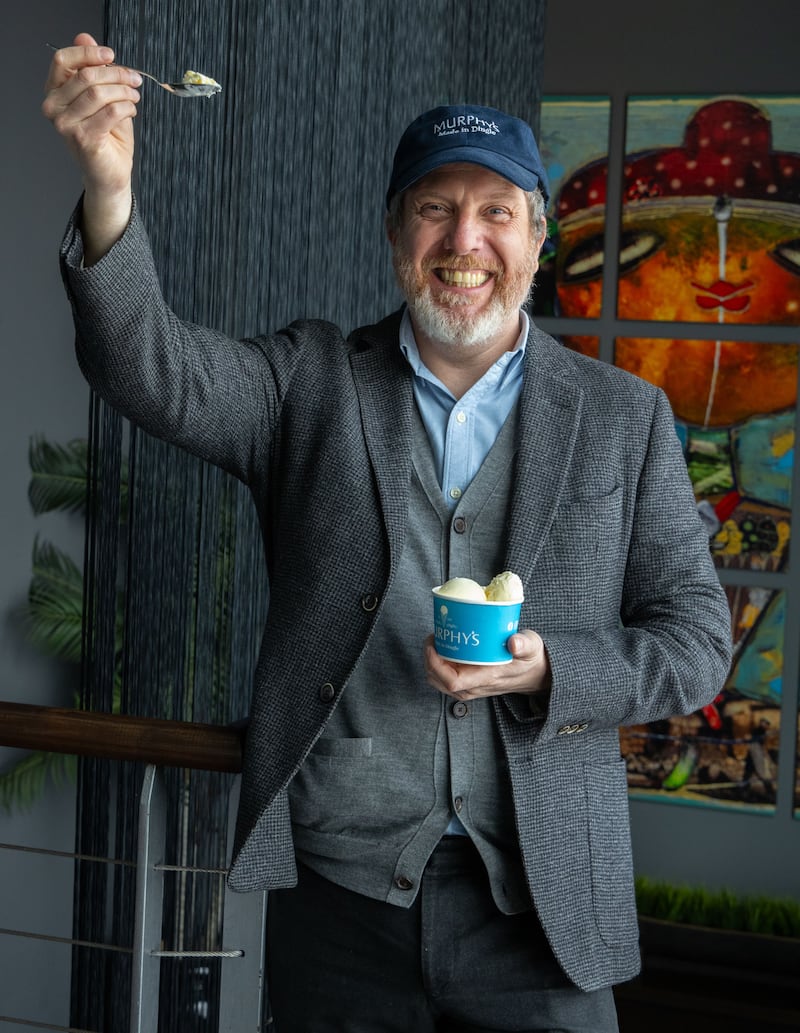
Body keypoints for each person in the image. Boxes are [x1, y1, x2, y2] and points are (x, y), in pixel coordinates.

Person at [43, 34, 732, 1033]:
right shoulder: (309, 382)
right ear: (393, 232)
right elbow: (151, 369)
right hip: (341, 902)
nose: (465, 238)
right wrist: (109, 187)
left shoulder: (624, 417)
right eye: (433, 208)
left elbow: (696, 643)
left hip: (541, 910)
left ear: (538, 238)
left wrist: (549, 667)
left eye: (495, 211)